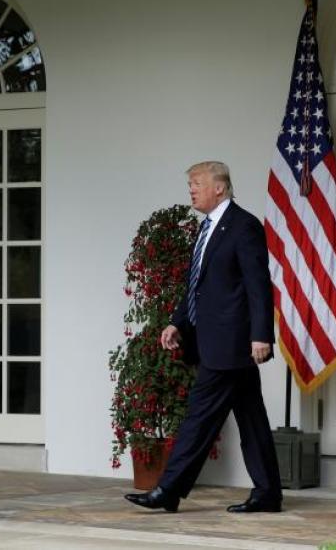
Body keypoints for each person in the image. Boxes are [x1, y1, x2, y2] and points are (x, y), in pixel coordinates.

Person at [124, 161, 282, 513]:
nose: (191, 189)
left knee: (199, 416)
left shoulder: (244, 226)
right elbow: (197, 286)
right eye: (190, 184)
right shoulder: (207, 228)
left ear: (220, 187)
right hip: (215, 340)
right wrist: (178, 322)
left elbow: (258, 286)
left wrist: (261, 335)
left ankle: (168, 490)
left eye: (197, 183)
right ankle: (269, 492)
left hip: (231, 344)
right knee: (251, 419)